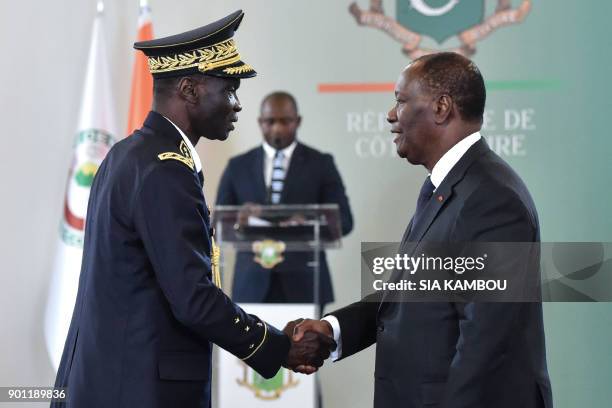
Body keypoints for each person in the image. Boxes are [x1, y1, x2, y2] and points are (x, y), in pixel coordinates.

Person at [51, 11, 333, 408]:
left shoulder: (127, 154)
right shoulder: (166, 169)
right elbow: (193, 298)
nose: (237, 105)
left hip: (114, 379)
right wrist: (278, 346)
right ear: (189, 88)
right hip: (141, 389)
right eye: (229, 90)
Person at [292, 52, 553, 408]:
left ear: (442, 108)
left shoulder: (492, 200)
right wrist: (333, 329)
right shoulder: (447, 187)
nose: (390, 114)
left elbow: (486, 347)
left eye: (400, 101)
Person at [216, 91, 353, 308]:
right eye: (270, 122)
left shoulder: (321, 164)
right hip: (252, 284)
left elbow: (344, 221)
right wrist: (238, 220)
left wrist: (308, 221)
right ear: (260, 123)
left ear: (297, 121)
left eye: (285, 121)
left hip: (305, 283)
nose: (277, 128)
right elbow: (218, 224)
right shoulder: (237, 166)